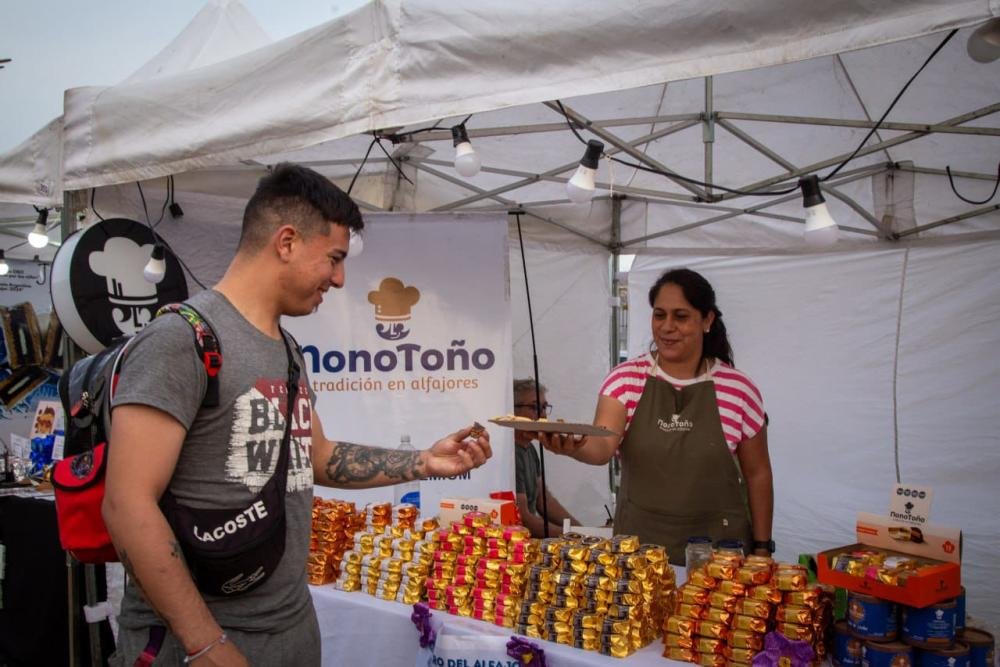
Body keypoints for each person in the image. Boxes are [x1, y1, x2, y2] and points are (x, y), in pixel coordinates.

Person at [102, 164, 492, 666]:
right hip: (200, 644)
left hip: (288, 629)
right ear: (285, 242)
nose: (340, 277)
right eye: (333, 258)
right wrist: (206, 644)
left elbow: (319, 457)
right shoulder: (179, 340)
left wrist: (424, 461)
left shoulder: (286, 348)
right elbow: (127, 505)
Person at [540, 268, 772, 565]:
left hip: (720, 551)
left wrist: (763, 547)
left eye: (681, 316)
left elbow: (758, 473)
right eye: (659, 315)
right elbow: (601, 447)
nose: (667, 327)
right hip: (640, 550)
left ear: (707, 320)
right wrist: (572, 447)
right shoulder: (625, 380)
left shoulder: (739, 389)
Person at [512, 378, 578, 537]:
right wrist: (578, 536)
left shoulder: (530, 448)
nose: (542, 416)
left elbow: (544, 500)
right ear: (512, 409)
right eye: (534, 408)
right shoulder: (511, 453)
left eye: (544, 407)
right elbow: (523, 519)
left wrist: (582, 530)